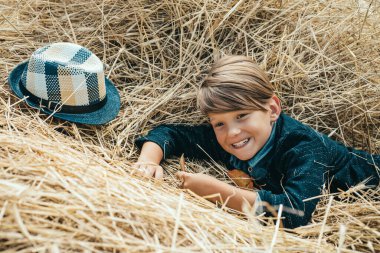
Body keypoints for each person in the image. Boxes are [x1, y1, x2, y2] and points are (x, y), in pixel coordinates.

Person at [134, 55, 379, 228]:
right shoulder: (226, 139)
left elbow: (295, 212)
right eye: (219, 122)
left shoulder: (302, 146)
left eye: (242, 116)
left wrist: (218, 192)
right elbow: (171, 133)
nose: (232, 133)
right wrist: (148, 161)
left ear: (272, 109)